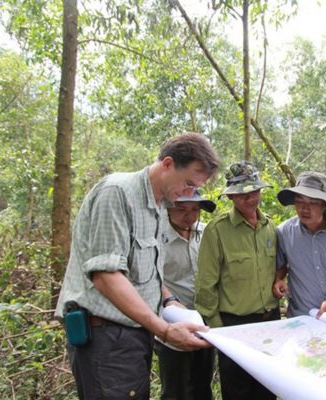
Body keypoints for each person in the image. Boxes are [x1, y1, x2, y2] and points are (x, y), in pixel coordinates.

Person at [55, 132, 220, 400]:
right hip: (105, 339)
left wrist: (169, 300)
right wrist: (165, 330)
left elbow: (144, 271)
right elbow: (106, 276)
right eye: (188, 183)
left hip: (133, 337)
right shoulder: (117, 193)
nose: (189, 194)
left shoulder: (156, 207)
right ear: (167, 164)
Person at [194, 161, 279, 400]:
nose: (251, 199)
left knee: (267, 388)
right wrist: (219, 331)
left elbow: (278, 268)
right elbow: (205, 285)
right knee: (237, 391)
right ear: (231, 197)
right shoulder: (218, 230)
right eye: (243, 195)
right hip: (234, 325)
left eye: (255, 192)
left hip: (270, 322)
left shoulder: (270, 226)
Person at [155, 190, 216, 400]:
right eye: (181, 209)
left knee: (202, 384)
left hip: (204, 321)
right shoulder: (156, 237)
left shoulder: (206, 233)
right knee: (176, 389)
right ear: (168, 208)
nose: (189, 215)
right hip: (172, 324)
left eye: (194, 209)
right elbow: (150, 278)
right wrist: (169, 301)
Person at [272, 171, 326, 318]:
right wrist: (279, 279)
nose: (305, 208)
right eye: (299, 201)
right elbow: (281, 265)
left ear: (325, 204)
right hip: (301, 318)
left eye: (313, 202)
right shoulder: (284, 232)